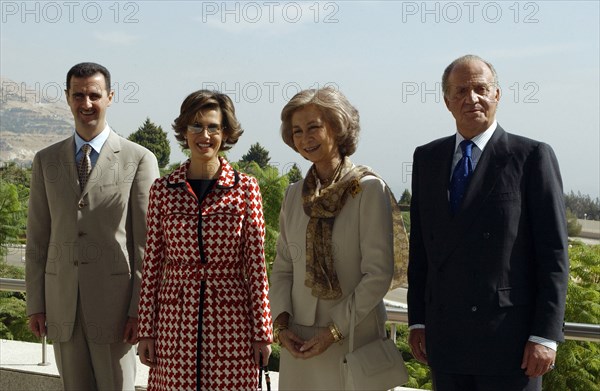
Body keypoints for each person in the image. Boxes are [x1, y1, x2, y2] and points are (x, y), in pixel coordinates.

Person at [407, 54, 569, 391]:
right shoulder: (427, 158)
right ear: (447, 101)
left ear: (498, 95)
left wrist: (545, 335)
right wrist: (417, 321)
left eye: (481, 88)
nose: (472, 99)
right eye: (461, 90)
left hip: (511, 346)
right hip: (446, 341)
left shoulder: (531, 157)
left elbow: (553, 256)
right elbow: (421, 249)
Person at [26, 62, 160, 390]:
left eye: (94, 95)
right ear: (68, 98)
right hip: (62, 308)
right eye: (79, 95)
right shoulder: (46, 160)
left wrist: (140, 313)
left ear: (110, 97)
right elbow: (38, 238)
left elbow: (148, 245)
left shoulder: (139, 159)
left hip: (116, 312)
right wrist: (37, 304)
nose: (86, 103)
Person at [270, 87, 407, 390]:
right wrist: (281, 326)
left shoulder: (369, 190)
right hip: (298, 343)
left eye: (314, 126)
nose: (306, 137)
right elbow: (282, 266)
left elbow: (378, 274)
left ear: (337, 126)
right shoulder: (294, 194)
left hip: (351, 338)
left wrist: (333, 331)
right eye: (297, 131)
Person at [136, 90, 272, 391]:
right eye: (196, 126)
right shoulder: (163, 189)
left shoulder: (245, 189)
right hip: (174, 323)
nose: (205, 135)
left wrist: (263, 332)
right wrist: (146, 329)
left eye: (213, 127)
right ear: (185, 131)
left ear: (225, 133)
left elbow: (257, 267)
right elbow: (153, 264)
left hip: (231, 323)